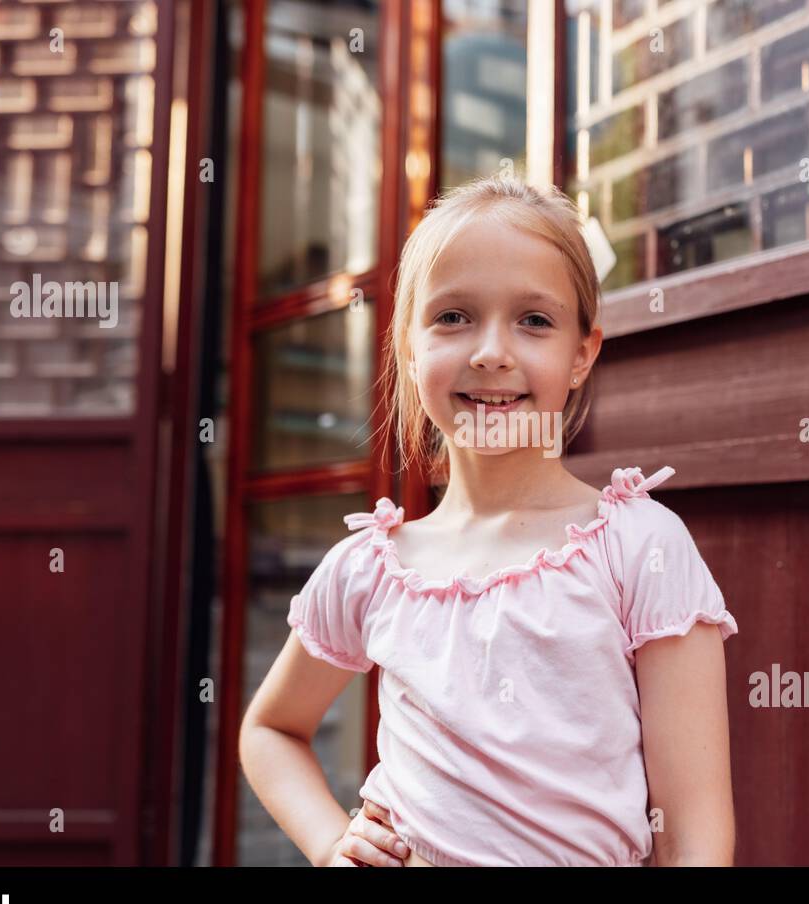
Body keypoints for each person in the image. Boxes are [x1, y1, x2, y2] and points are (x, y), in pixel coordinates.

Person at [239, 174, 741, 867]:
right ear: (410, 351)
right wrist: (330, 841)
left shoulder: (641, 549)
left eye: (534, 320)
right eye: (453, 317)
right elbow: (270, 728)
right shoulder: (373, 568)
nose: (491, 351)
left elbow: (695, 836)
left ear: (582, 354)